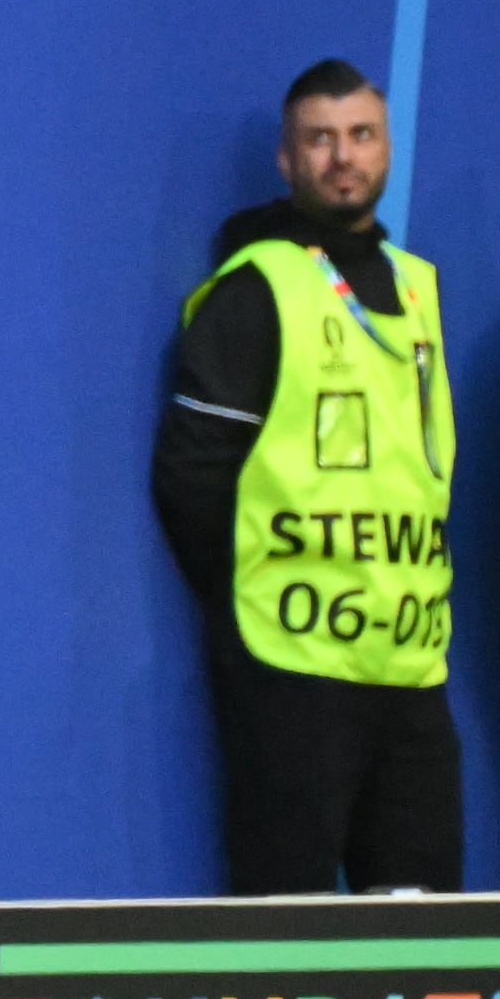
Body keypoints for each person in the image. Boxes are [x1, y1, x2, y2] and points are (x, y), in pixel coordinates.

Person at [152, 60, 463, 899]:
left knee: (426, 931)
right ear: (287, 161)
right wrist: (253, 595)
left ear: (388, 149)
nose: (342, 157)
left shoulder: (418, 286)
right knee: (285, 924)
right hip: (290, 667)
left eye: (361, 135)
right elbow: (191, 477)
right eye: (320, 139)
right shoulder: (256, 289)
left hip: (409, 663)